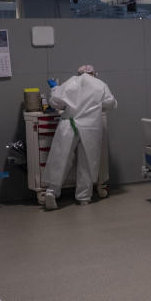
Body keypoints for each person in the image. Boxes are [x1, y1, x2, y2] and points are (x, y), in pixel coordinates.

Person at [43, 65, 117, 209]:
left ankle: (51, 192)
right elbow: (110, 103)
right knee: (87, 162)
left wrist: (54, 89)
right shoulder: (100, 84)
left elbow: (55, 102)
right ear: (94, 74)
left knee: (60, 159)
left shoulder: (70, 82)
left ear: (78, 73)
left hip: (68, 124)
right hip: (89, 127)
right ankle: (84, 197)